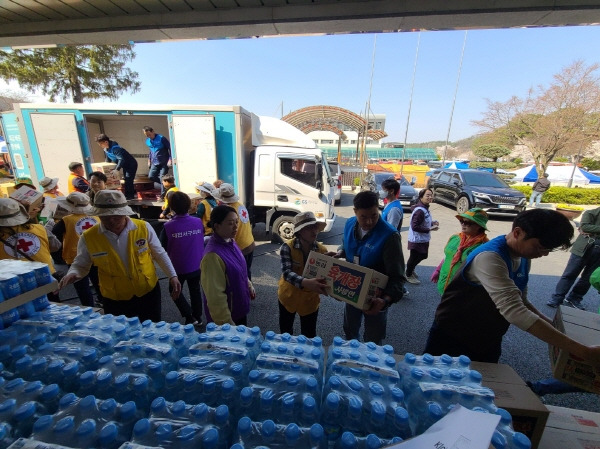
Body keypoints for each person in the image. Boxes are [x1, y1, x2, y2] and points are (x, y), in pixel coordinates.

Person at [424, 208, 600, 366]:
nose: (544, 253)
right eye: (540, 247)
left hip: (487, 337)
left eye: (549, 249)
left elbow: (521, 300)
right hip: (453, 335)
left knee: (480, 386)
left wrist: (559, 330)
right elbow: (515, 311)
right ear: (517, 232)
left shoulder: (523, 256)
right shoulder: (490, 257)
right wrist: (583, 352)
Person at [58, 190, 181, 322]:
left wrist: (172, 275)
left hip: (147, 291)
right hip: (114, 297)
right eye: (105, 217)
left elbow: (159, 253)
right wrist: (73, 273)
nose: (111, 220)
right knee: (123, 334)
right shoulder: (88, 237)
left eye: (116, 216)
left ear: (124, 213)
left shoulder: (143, 227)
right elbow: (81, 263)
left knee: (152, 327)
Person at [337, 191, 406, 345]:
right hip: (352, 287)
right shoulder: (349, 224)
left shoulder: (389, 236)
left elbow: (398, 277)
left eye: (374, 216)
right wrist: (341, 251)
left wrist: (385, 300)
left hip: (376, 296)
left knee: (373, 340)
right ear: (355, 212)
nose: (369, 222)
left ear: (378, 209)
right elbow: (346, 244)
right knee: (349, 329)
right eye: (364, 217)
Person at [277, 212, 330, 338]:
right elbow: (287, 273)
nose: (314, 231)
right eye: (309, 228)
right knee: (285, 333)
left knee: (309, 335)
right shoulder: (287, 247)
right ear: (299, 231)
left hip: (310, 300)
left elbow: (326, 277)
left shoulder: (322, 251)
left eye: (315, 227)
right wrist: (305, 282)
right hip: (288, 297)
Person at [201, 205, 255, 326]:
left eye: (237, 222)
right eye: (230, 223)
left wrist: (248, 284)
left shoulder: (231, 241)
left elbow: (239, 268)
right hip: (227, 319)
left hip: (238, 309)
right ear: (216, 226)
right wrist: (227, 324)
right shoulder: (212, 256)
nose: (236, 226)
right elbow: (215, 298)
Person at [0, 198, 60, 302]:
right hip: (46, 277)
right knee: (53, 310)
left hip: (15, 284)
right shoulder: (40, 228)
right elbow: (56, 247)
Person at [160, 191, 204, 326]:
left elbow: (162, 247)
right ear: (188, 205)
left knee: (174, 290)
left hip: (178, 268)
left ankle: (188, 315)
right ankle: (198, 317)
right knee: (195, 289)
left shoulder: (168, 226)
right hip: (197, 263)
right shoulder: (197, 221)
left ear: (172, 206)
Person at [51, 192, 100, 307]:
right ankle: (104, 303)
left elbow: (55, 235)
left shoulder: (66, 220)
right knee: (99, 283)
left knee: (82, 287)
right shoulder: (96, 217)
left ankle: (88, 308)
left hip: (74, 256)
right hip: (96, 254)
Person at [547, 206, 600, 310]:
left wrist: (594, 230)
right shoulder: (591, 213)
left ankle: (575, 298)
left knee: (588, 278)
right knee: (570, 273)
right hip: (583, 248)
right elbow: (585, 227)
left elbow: (588, 228)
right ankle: (557, 298)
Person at [431, 208, 489, 295]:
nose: (463, 224)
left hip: (463, 291)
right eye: (462, 221)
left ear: (479, 225)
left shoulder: (484, 247)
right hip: (444, 284)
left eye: (468, 222)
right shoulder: (455, 238)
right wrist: (438, 270)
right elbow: (447, 256)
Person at [213, 183, 255, 280]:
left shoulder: (228, 212)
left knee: (240, 276)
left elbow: (227, 233)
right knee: (246, 272)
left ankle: (245, 292)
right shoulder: (240, 205)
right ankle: (249, 292)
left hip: (239, 248)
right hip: (249, 243)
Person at [405, 188, 439, 285]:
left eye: (431, 195)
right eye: (427, 195)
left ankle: (410, 269)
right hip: (417, 239)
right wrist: (429, 229)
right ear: (421, 197)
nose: (430, 197)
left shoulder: (425, 208)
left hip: (422, 239)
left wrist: (432, 223)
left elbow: (424, 221)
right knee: (414, 257)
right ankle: (408, 274)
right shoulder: (420, 210)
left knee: (423, 255)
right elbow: (414, 226)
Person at [95, 134, 138, 200]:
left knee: (129, 179)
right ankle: (127, 195)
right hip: (125, 165)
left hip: (131, 164)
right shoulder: (106, 149)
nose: (100, 146)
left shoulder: (115, 148)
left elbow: (121, 159)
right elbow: (108, 159)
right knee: (126, 179)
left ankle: (130, 196)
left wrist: (117, 170)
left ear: (106, 142)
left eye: (101, 144)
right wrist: (105, 166)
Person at [143, 126, 171, 200]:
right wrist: (149, 160)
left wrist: (170, 159)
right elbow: (151, 151)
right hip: (155, 162)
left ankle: (162, 196)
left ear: (153, 131)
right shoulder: (147, 141)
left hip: (164, 161)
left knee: (162, 177)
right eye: (147, 135)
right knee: (151, 176)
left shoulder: (161, 138)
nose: (149, 136)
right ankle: (167, 183)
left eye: (149, 134)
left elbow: (170, 148)